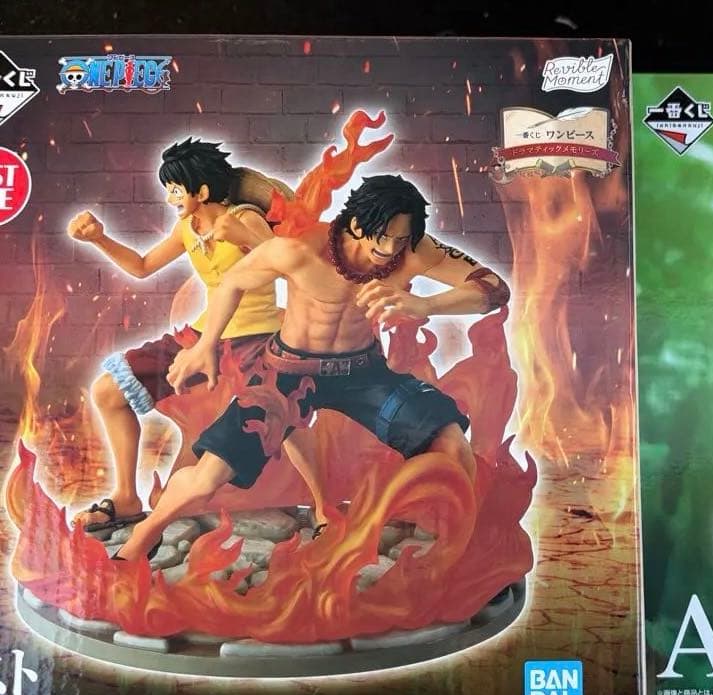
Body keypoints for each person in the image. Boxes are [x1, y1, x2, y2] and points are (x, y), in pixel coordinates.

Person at [111, 174, 510, 561]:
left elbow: (493, 288)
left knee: (451, 443)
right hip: (289, 371)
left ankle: (459, 553)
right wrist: (206, 344)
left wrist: (427, 304)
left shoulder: (415, 251)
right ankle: (144, 537)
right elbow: (233, 282)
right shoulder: (299, 250)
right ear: (356, 224)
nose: (389, 249)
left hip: (363, 372)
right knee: (207, 477)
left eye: (400, 239)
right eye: (382, 236)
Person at [67, 138, 288, 532]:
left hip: (254, 340)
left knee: (226, 435)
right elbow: (142, 266)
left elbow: (292, 262)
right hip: (202, 335)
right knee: (108, 391)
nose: (169, 199)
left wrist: (245, 235)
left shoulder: (244, 218)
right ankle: (126, 497)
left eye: (174, 190)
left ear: (201, 191)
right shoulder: (188, 227)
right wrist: (99, 238)